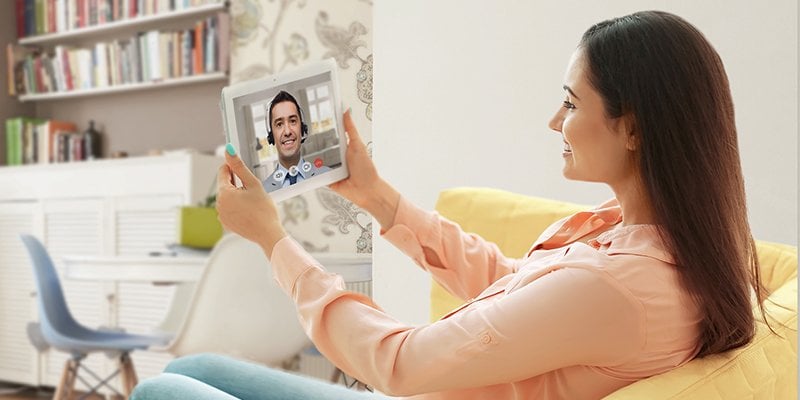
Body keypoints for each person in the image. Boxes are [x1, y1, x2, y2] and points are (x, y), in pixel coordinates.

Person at [131, 10, 767, 400]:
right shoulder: (649, 241)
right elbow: (505, 282)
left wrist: (274, 242)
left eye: (571, 103)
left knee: (162, 388)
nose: (554, 121)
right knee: (193, 365)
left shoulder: (619, 285)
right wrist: (378, 199)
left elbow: (399, 363)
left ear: (633, 127)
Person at [262, 90, 331, 193]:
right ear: (271, 135)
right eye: (279, 124)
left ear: (302, 129)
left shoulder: (328, 176)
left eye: (293, 121)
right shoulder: (262, 192)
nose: (287, 131)